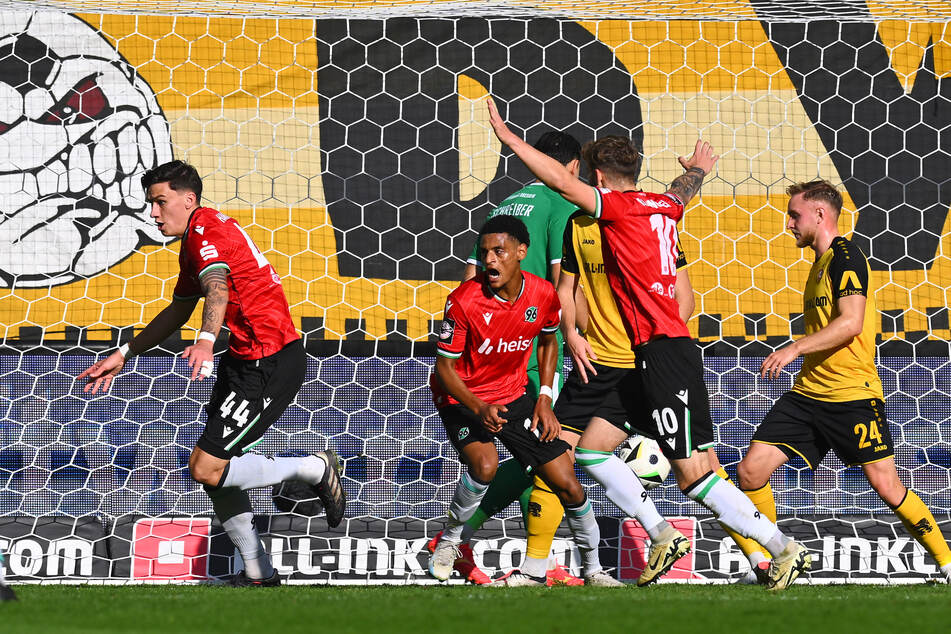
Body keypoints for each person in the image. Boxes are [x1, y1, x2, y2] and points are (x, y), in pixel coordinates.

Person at [487, 98, 811, 591]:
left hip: (664, 353)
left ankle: (783, 548)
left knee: (696, 474)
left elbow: (557, 180)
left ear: (598, 178)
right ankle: (661, 534)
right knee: (592, 452)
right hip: (645, 355)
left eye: (589, 180)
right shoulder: (665, 204)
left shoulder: (615, 208)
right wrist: (699, 168)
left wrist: (511, 140)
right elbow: (684, 189)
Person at [78, 160, 345, 587]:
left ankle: (313, 469)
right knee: (216, 465)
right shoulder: (195, 239)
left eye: (160, 202)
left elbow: (217, 286)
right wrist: (126, 352)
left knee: (206, 468)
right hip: (244, 361)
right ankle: (258, 572)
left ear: (188, 200)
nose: (153, 213)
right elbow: (180, 306)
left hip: (270, 360)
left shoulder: (206, 231)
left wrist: (205, 339)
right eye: (151, 203)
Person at [736, 180, 951, 584]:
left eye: (794, 214)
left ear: (820, 214)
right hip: (808, 394)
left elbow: (851, 323)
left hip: (851, 395)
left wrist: (794, 348)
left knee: (886, 485)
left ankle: (946, 561)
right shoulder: (818, 264)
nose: (788, 223)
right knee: (750, 473)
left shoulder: (846, 256)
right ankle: (770, 560)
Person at [428, 214, 621, 587]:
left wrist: (544, 399)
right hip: (463, 399)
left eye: (499, 251)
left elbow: (549, 342)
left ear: (521, 252)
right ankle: (449, 541)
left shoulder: (542, 294)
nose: (490, 261)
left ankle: (594, 570)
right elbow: (444, 370)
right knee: (485, 466)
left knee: (569, 484)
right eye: (484, 253)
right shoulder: (463, 301)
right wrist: (478, 406)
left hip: (516, 397)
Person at [433, 131, 582, 586]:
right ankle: (518, 554)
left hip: (497, 339)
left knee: (535, 454)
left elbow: (470, 279)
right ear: (571, 168)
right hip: (530, 346)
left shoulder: (505, 208)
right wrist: (573, 334)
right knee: (545, 452)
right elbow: (562, 284)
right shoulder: (563, 204)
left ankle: (509, 552)